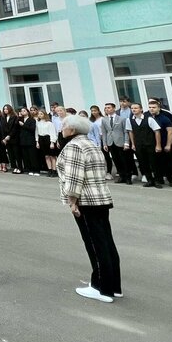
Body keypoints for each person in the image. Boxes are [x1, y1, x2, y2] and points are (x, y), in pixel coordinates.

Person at [56, 114, 121, 304]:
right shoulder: (91, 144)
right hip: (101, 198)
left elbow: (74, 176)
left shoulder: (74, 146)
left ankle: (101, 288)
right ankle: (114, 286)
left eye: (64, 126)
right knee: (106, 242)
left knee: (94, 243)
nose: (62, 129)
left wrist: (72, 201)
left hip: (86, 201)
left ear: (73, 130)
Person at [125, 103, 162, 188]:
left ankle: (157, 181)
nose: (134, 110)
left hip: (150, 144)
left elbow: (157, 131)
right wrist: (133, 144)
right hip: (138, 145)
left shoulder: (149, 119)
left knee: (154, 163)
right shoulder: (129, 120)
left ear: (141, 109)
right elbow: (130, 132)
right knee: (143, 163)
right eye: (132, 108)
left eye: (136, 108)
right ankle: (149, 180)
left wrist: (158, 145)